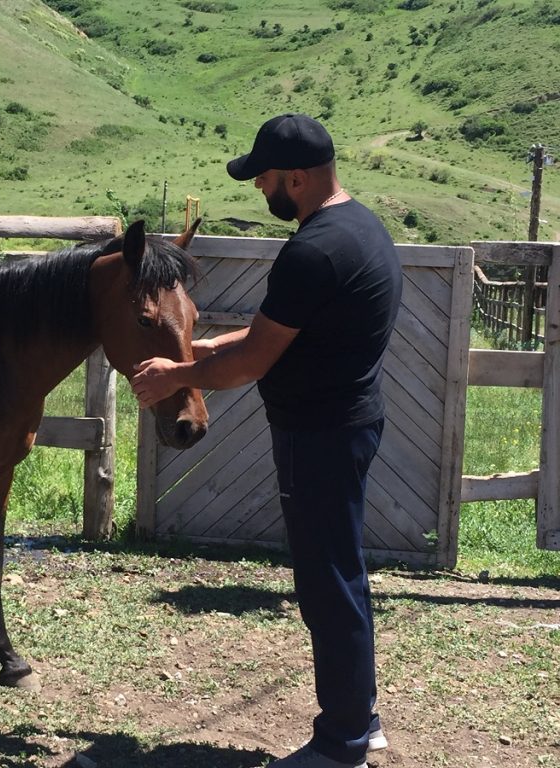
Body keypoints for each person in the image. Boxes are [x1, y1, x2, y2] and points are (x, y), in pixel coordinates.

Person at [131, 113, 401, 768]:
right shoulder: (360, 228)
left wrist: (180, 372)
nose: (260, 191)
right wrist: (194, 349)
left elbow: (252, 362)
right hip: (349, 424)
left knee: (327, 582)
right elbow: (265, 340)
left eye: (266, 180)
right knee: (343, 574)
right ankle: (359, 719)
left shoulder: (312, 252)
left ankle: (341, 744)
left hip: (321, 436)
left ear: (298, 178)